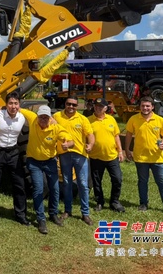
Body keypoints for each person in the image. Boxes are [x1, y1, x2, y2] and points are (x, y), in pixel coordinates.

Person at [20, 104, 73, 235]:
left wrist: (67, 144)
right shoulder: (33, 120)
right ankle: (41, 219)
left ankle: (53, 214)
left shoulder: (56, 128)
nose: (43, 120)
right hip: (34, 162)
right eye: (41, 117)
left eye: (46, 117)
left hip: (50, 162)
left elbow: (70, 139)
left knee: (54, 189)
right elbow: (18, 108)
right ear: (37, 116)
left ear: (50, 118)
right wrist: (0, 108)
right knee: (39, 188)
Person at [124, 96, 163, 216]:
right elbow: (128, 134)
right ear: (140, 107)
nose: (145, 108)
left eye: (148, 106)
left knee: (162, 182)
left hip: (157, 158)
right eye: (143, 106)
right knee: (142, 181)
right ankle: (143, 203)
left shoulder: (160, 120)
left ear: (152, 107)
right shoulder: (134, 119)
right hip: (141, 157)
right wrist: (127, 149)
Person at [0, 91, 29, 230]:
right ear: (6, 104)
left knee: (19, 184)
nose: (13, 106)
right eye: (10, 103)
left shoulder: (22, 117)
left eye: (16, 103)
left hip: (13, 153)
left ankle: (21, 214)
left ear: (19, 105)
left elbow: (36, 117)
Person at [54, 95, 95, 225]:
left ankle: (85, 213)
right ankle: (67, 210)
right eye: (68, 104)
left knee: (83, 183)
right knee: (66, 182)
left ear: (77, 106)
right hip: (64, 155)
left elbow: (90, 135)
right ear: (65, 104)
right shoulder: (56, 117)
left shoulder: (82, 119)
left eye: (74, 105)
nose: (71, 107)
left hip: (80, 154)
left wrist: (90, 145)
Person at [88, 98, 125, 213]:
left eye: (101, 106)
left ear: (106, 108)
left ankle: (114, 201)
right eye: (96, 105)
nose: (98, 108)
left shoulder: (111, 119)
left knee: (117, 179)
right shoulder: (88, 120)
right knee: (97, 181)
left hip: (112, 156)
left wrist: (120, 151)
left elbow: (116, 136)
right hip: (95, 157)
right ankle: (100, 202)